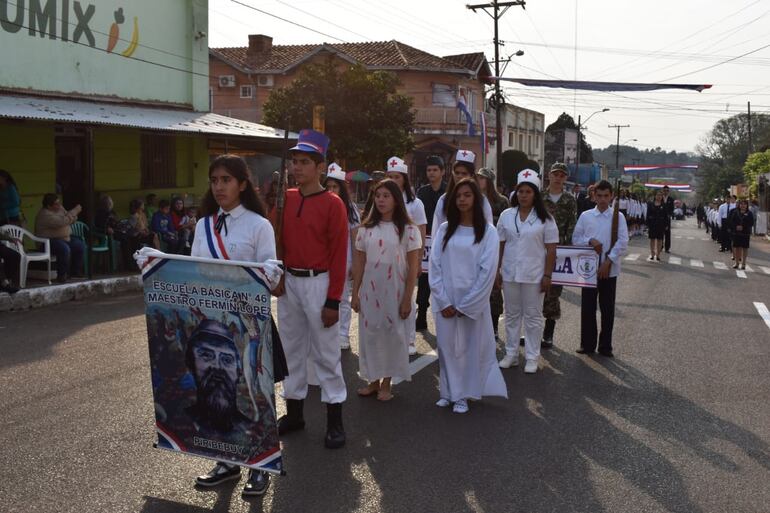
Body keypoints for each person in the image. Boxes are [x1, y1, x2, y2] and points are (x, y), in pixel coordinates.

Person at [191, 154, 284, 496]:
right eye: (214, 180)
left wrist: (273, 272)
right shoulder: (203, 225)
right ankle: (227, 461)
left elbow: (270, 272)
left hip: (250, 324)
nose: (219, 187)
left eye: (226, 180)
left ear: (242, 184)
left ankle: (260, 465)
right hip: (216, 326)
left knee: (256, 396)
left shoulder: (259, 225)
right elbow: (193, 271)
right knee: (220, 395)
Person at [271, 129, 349, 450]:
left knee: (326, 353)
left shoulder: (334, 204)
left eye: (304, 161)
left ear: (320, 167)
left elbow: (339, 256)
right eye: (294, 161)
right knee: (290, 351)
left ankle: (335, 421)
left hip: (320, 283)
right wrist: (276, 274)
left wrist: (333, 300)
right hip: (289, 282)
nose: (297, 167)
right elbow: (273, 241)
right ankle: (295, 413)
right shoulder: (284, 198)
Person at [429, 178, 507, 413]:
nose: (462, 199)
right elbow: (435, 266)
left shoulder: (488, 232)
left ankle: (463, 394)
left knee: (468, 348)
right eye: (458, 195)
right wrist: (443, 300)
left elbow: (487, 271)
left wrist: (466, 305)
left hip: (472, 302)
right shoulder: (444, 230)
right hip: (446, 300)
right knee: (445, 346)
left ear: (476, 199)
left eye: (467, 195)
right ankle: (447, 392)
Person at [351, 179, 421, 401]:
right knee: (370, 335)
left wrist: (408, 299)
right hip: (371, 292)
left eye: (386, 196)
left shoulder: (408, 230)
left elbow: (413, 269)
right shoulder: (365, 230)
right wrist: (355, 293)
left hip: (396, 290)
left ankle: (387, 383)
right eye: (378, 196)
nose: (381, 200)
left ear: (396, 200)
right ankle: (372, 380)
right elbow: (359, 263)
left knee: (392, 335)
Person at [496, 170, 558, 373]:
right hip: (510, 273)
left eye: (528, 191)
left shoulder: (545, 218)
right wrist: (497, 270)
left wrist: (548, 275)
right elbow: (500, 245)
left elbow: (551, 250)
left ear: (535, 194)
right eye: (520, 191)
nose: (523, 195)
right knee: (512, 314)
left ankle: (532, 356)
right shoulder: (507, 215)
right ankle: (511, 354)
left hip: (534, 274)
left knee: (533, 316)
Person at [572, 180, 629, 357]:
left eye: (606, 196)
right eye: (600, 195)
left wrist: (608, 261)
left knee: (607, 308)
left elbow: (623, 242)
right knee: (588, 308)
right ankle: (587, 344)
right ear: (594, 196)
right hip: (588, 270)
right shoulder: (586, 216)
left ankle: (605, 346)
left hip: (609, 270)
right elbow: (576, 238)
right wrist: (590, 241)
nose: (603, 199)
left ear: (611, 196)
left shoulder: (618, 217)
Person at [386, 156, 426, 356]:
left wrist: (418, 260)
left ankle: (410, 339)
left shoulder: (415, 203)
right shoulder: (383, 200)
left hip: (407, 258)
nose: (394, 180)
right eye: (390, 176)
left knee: (407, 299)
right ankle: (392, 338)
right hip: (386, 259)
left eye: (397, 177)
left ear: (404, 179)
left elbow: (420, 232)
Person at [325, 163, 361, 350]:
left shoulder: (351, 209)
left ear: (342, 188)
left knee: (342, 299)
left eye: (335, 187)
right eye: (328, 187)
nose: (331, 190)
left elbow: (356, 239)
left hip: (344, 260)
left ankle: (343, 334)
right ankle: (328, 333)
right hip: (323, 262)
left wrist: (355, 264)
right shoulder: (320, 205)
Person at [540, 162, 577, 349]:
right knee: (533, 291)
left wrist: (568, 249)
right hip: (537, 250)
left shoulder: (569, 200)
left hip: (559, 251)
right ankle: (532, 331)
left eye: (562, 175)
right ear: (549, 175)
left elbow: (572, 225)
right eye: (555, 174)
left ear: (566, 178)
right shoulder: (539, 197)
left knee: (553, 293)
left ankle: (548, 333)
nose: (558, 177)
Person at [415, 155, 447, 331]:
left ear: (442, 171)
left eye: (435, 170)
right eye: (429, 170)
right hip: (426, 240)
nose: (432, 173)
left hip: (444, 240)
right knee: (424, 280)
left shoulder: (449, 191)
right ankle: (421, 316)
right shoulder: (422, 192)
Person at [432, 149, 493, 231]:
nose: (459, 176)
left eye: (464, 173)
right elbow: (437, 229)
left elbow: (488, 228)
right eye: (457, 173)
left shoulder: (482, 200)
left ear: (471, 175)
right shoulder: (444, 199)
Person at [34, 193, 85, 283]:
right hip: (47, 242)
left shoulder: (60, 209)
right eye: (56, 204)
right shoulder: (45, 214)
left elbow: (71, 219)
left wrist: (71, 216)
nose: (59, 205)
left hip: (64, 238)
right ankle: (62, 275)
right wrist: (75, 211)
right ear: (49, 206)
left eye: (59, 203)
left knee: (79, 245)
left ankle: (75, 272)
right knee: (64, 249)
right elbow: (62, 221)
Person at [729, 199, 754, 270]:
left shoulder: (749, 213)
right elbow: (732, 221)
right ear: (739, 205)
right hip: (737, 233)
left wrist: (743, 227)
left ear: (747, 205)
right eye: (741, 204)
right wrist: (735, 226)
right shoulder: (735, 212)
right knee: (737, 248)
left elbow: (751, 223)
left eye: (744, 204)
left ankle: (744, 264)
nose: (743, 205)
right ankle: (737, 263)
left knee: (745, 248)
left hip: (745, 233)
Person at [646, 190, 668, 261]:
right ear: (655, 196)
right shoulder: (651, 204)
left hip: (660, 224)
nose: (659, 197)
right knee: (652, 239)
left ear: (662, 197)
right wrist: (647, 224)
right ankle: (652, 254)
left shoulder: (664, 205)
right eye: (657, 195)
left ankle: (658, 254)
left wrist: (666, 225)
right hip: (652, 224)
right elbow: (648, 214)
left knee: (659, 240)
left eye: (660, 195)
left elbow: (666, 216)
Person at [661, 186, 675, 253]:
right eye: (664, 190)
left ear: (668, 191)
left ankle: (667, 248)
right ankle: (660, 246)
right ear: (662, 191)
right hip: (660, 218)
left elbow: (672, 209)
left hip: (667, 218)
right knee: (660, 233)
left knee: (667, 233)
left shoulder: (671, 199)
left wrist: (670, 215)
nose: (665, 192)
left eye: (667, 190)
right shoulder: (660, 198)